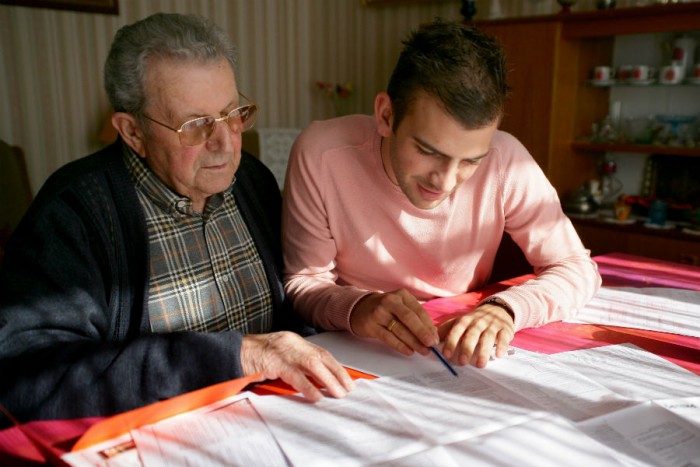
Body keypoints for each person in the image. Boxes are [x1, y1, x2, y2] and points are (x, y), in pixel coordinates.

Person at [0, 13, 353, 425]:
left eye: (232, 113)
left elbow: (291, 311)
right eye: (195, 125)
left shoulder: (252, 182)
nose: (224, 142)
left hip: (281, 422)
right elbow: (26, 376)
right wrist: (235, 357)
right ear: (132, 132)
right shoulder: (73, 212)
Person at [282, 20, 601, 369]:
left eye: (470, 161)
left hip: (459, 346)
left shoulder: (506, 160)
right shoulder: (321, 152)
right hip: (357, 348)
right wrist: (358, 307)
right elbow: (303, 282)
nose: (446, 182)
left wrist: (507, 309)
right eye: (428, 150)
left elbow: (576, 268)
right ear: (386, 115)